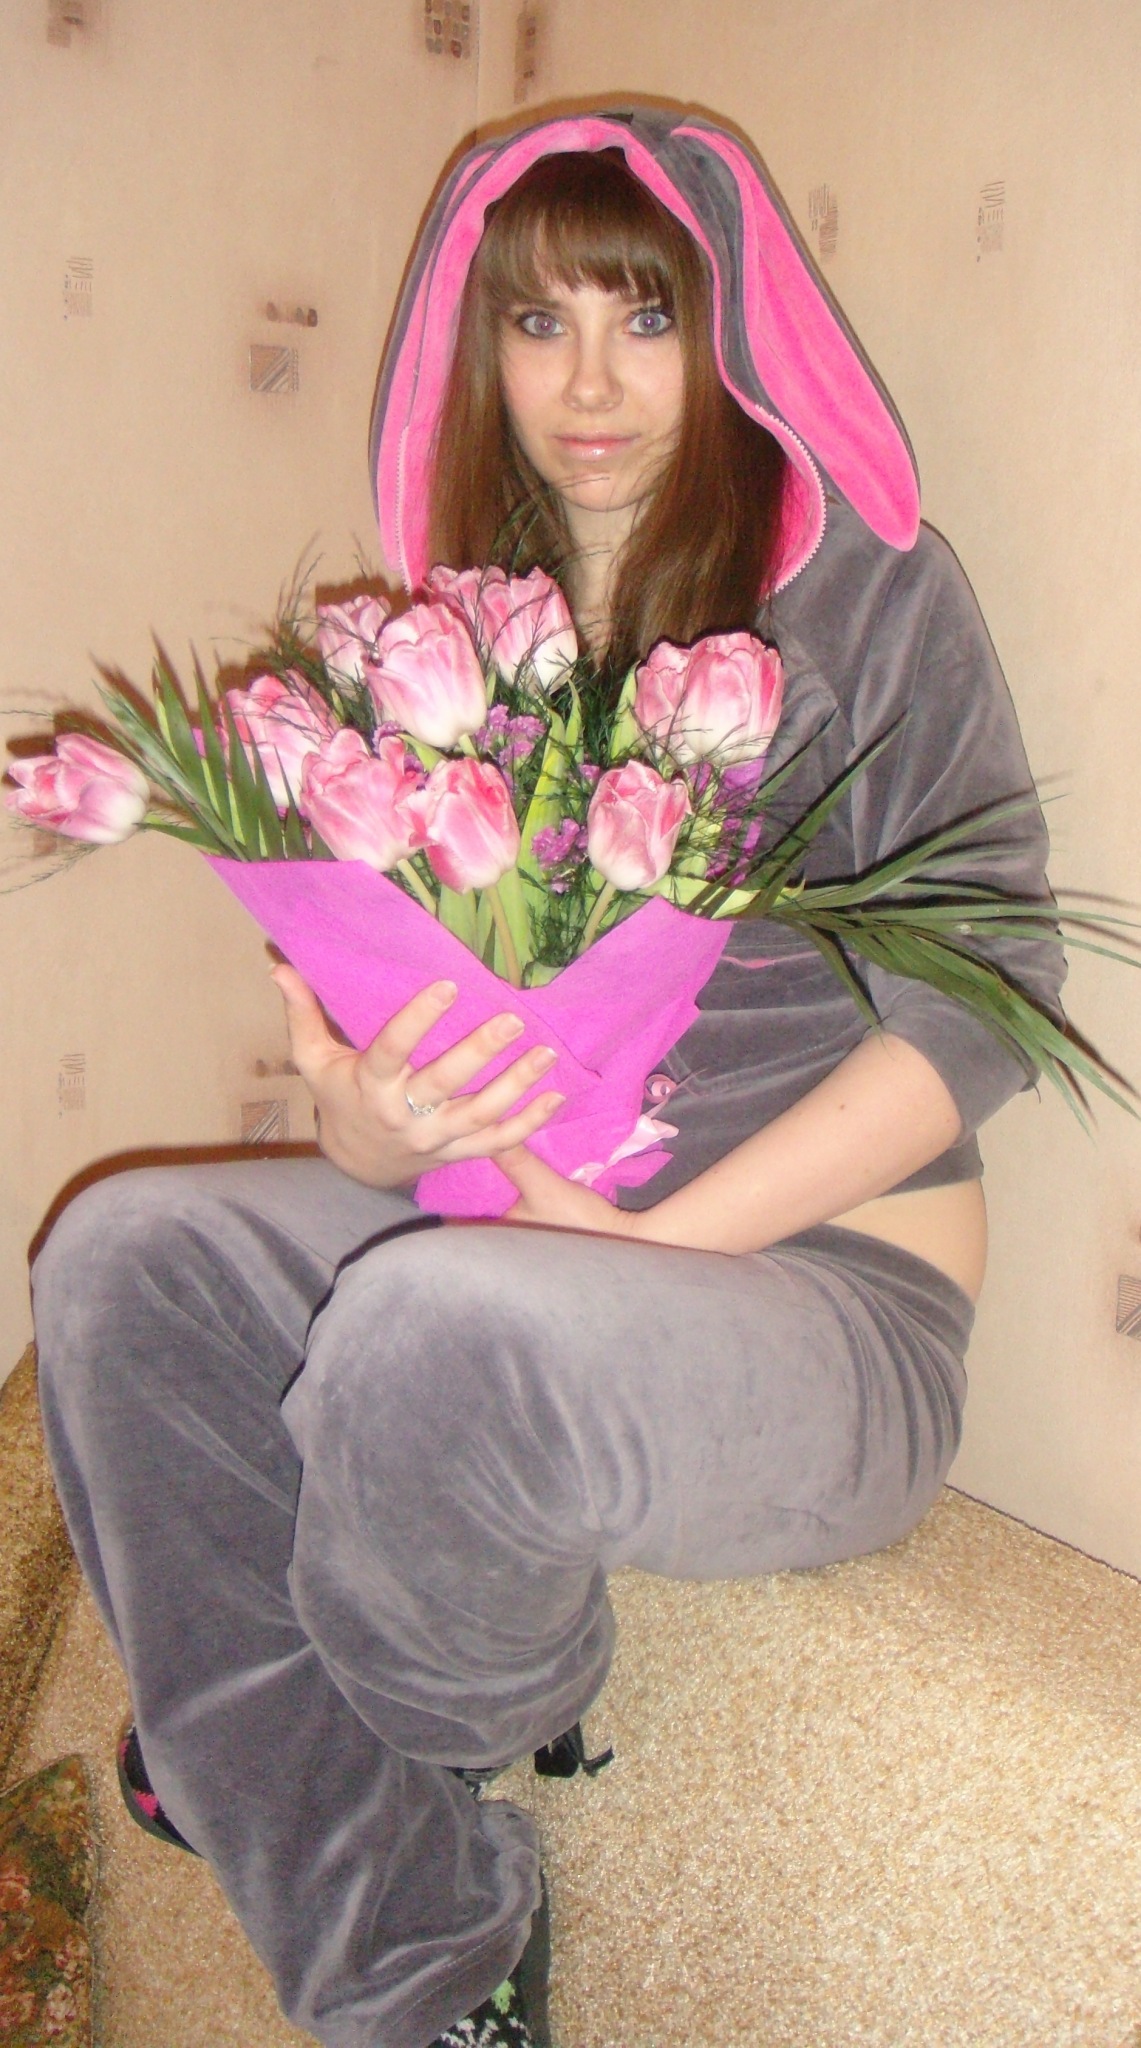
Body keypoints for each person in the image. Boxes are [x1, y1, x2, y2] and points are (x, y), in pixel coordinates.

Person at [32, 108, 1064, 2048]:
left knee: (437, 1334)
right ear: (474, 348)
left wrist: (648, 1248)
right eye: (536, 323)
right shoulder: (443, 642)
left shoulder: (865, 595)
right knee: (119, 1260)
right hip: (499, 1235)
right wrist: (365, 1123)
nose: (588, 384)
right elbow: (400, 1060)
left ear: (732, 331)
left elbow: (992, 991)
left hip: (816, 1292)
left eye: (645, 317)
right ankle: (430, 1961)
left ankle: (379, 1728)